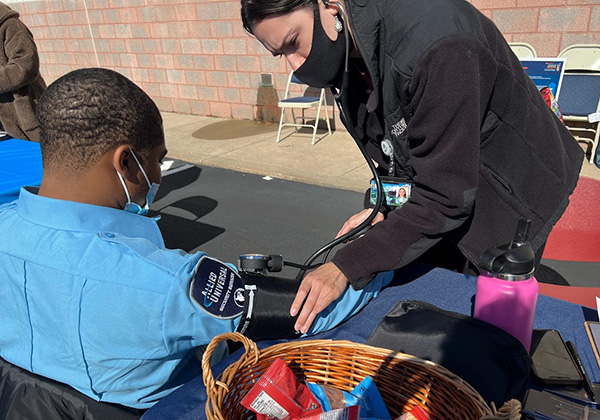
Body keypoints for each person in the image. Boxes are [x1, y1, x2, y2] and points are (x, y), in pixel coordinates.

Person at [0, 67, 392, 409]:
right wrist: (377, 249)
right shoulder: (167, 285)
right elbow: (309, 311)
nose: (157, 175)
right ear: (125, 162)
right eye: (156, 159)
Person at [240, 0, 584, 334]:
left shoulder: (437, 43)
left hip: (513, 181)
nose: (296, 66)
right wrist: (384, 208)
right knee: (429, 298)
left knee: (486, 330)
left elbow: (445, 197)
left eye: (293, 43)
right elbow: (402, 146)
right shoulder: (348, 48)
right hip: (452, 180)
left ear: (328, 5)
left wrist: (346, 266)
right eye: (280, 54)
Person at [0, 1, 46, 141]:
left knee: (41, 157)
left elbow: (25, 67)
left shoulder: (11, 25)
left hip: (26, 116)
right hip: (3, 124)